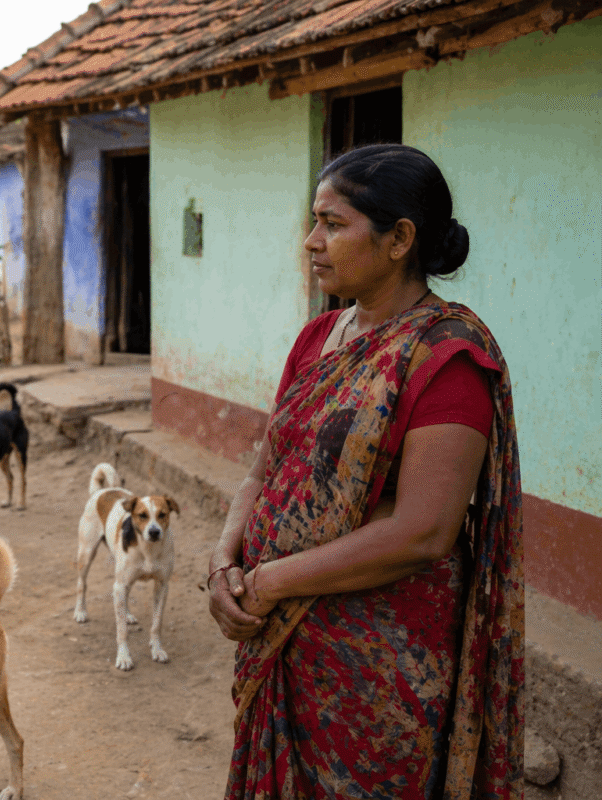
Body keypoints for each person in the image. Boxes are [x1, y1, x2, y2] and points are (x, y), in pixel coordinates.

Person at [207, 143, 523, 799]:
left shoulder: (447, 356)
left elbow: (423, 532)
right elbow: (264, 469)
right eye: (313, 221)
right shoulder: (318, 338)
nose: (311, 241)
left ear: (399, 238)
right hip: (282, 641)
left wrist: (268, 583)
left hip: (376, 669)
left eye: (332, 223)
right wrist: (222, 565)